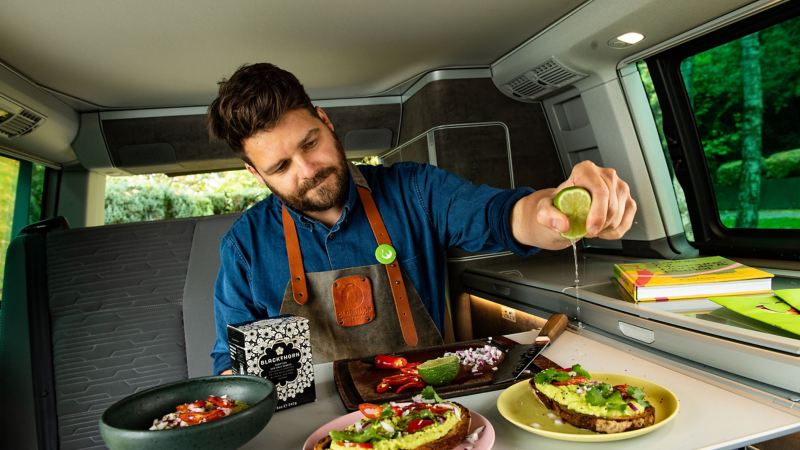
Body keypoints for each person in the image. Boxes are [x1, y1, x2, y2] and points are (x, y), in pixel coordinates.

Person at [206, 63, 636, 375]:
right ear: (255, 173)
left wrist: (557, 210)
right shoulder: (244, 247)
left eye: (310, 143)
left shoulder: (416, 190)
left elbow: (507, 216)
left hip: (429, 406)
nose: (307, 169)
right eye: (281, 167)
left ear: (325, 120)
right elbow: (232, 368)